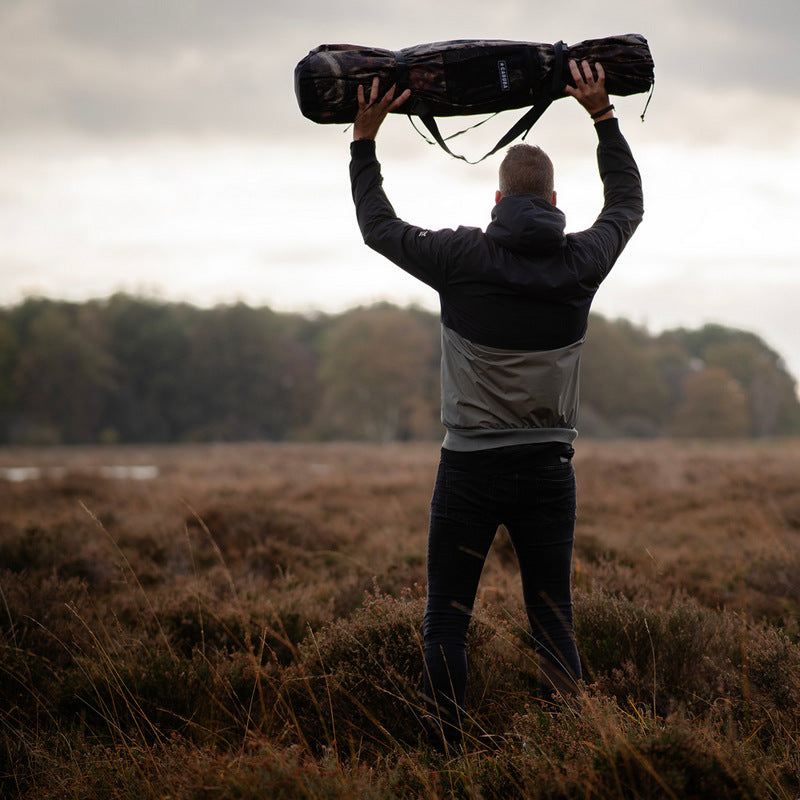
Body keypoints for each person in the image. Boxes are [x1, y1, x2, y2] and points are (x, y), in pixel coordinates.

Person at [348, 60, 643, 752]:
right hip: (549, 469)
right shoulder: (582, 262)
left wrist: (365, 141)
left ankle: (445, 755)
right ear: (553, 199)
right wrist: (603, 117)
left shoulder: (460, 256)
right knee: (553, 618)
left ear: (498, 197)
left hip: (470, 471)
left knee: (446, 621)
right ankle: (572, 754)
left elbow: (377, 226)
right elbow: (627, 206)